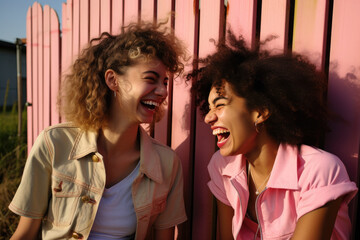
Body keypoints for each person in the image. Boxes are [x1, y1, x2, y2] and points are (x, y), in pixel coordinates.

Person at [9, 21, 187, 240]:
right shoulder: (54, 143)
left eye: (165, 82)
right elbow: (26, 232)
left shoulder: (167, 163)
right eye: (151, 79)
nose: (162, 91)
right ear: (113, 80)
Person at [189, 32, 358, 239]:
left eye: (220, 105)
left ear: (260, 111)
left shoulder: (319, 171)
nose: (208, 118)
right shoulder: (222, 167)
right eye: (208, 107)